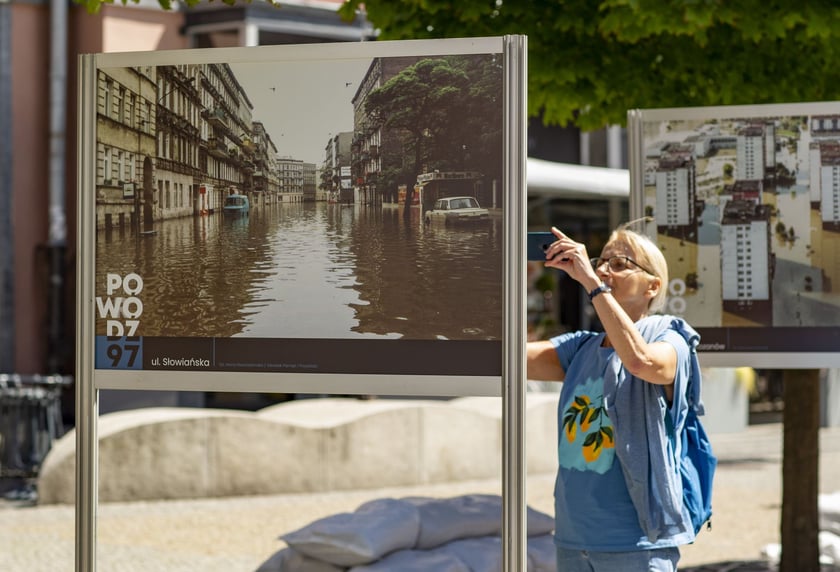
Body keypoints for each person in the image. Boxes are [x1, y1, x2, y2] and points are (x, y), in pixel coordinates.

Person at [527, 224, 703, 572]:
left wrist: (593, 283)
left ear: (653, 285)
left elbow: (640, 361)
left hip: (636, 544)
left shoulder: (672, 338)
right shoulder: (581, 347)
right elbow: (507, 360)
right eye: (601, 260)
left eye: (620, 263)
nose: (605, 269)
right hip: (572, 541)